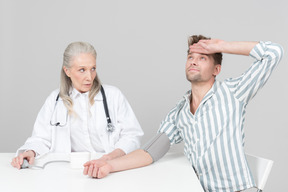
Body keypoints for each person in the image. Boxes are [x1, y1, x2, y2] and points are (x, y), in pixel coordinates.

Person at [83, 35, 283, 192]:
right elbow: (150, 152)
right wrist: (109, 165)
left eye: (202, 57)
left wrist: (221, 46)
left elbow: (273, 52)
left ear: (217, 69)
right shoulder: (180, 111)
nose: (193, 62)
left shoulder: (233, 92)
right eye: (190, 57)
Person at [11, 42, 143, 169]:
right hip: (67, 170)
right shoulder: (55, 100)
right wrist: (31, 152)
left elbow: (132, 135)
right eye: (82, 70)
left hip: (106, 167)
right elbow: (41, 138)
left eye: (93, 69)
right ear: (67, 71)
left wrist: (110, 157)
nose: (89, 77)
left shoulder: (113, 96)